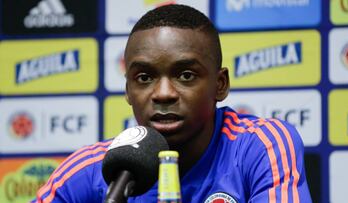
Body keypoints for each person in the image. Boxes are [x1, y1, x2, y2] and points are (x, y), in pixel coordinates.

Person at [33, 4, 312, 203]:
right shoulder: (92, 169)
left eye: (186, 75)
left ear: (220, 84)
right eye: (144, 77)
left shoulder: (261, 146)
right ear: (128, 90)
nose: (163, 93)